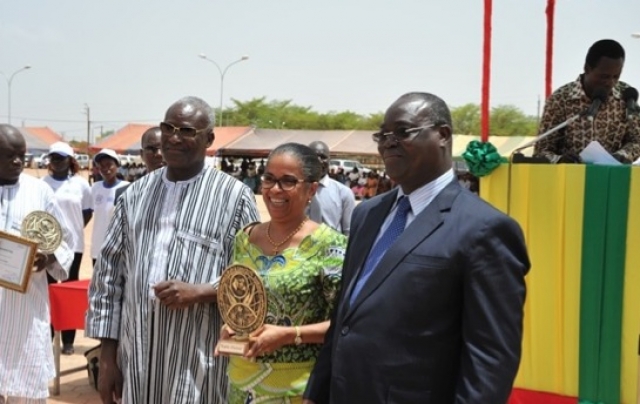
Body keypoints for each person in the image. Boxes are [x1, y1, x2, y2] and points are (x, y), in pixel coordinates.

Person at [303, 92, 530, 404]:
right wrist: (316, 392)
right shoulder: (368, 214)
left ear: (443, 135)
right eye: (382, 135)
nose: (388, 142)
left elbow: (491, 358)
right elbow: (345, 316)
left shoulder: (484, 229)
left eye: (403, 132)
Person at [85, 96, 260, 404]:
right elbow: (108, 279)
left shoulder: (234, 197)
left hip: (198, 363)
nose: (174, 137)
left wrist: (203, 292)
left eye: (187, 130)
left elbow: (252, 276)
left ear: (209, 139)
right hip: (136, 361)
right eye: (168, 127)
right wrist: (108, 358)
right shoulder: (135, 196)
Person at [216, 142, 346, 403]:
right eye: (269, 179)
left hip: (297, 390)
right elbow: (241, 302)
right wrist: (231, 328)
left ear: (311, 189)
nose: (275, 189)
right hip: (241, 385)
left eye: (288, 181)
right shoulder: (245, 238)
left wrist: (290, 335)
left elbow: (345, 325)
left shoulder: (330, 245)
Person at [0, 124, 73, 403]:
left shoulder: (39, 192)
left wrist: (47, 257)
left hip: (25, 315)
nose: (18, 161)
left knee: (26, 393)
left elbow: (63, 241)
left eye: (22, 154)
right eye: (9, 155)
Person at [534, 39, 640, 163]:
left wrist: (621, 156)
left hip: (613, 177)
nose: (610, 83)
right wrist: (560, 160)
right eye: (604, 76)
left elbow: (636, 141)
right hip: (570, 177)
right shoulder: (561, 99)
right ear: (587, 68)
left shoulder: (626, 97)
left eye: (616, 76)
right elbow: (542, 149)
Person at [42, 141, 93, 355]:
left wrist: (73, 231)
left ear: (70, 160)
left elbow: (87, 212)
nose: (57, 162)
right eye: (54, 158)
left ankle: (69, 340)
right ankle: (50, 338)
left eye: (61, 158)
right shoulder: (43, 184)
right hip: (48, 247)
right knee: (50, 291)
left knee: (69, 291)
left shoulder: (81, 185)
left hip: (74, 247)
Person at [306, 141, 355, 236]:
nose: (319, 161)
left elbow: (348, 231)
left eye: (323, 157)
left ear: (329, 160)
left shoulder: (344, 193)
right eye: (314, 157)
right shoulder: (295, 190)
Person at [90, 148, 129, 266]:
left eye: (109, 164)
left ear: (117, 165)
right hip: (97, 247)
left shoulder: (127, 188)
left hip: (117, 248)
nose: (105, 169)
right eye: (101, 166)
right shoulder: (95, 188)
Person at [114, 126, 164, 203]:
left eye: (164, 148)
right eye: (151, 149)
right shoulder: (126, 194)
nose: (159, 154)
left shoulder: (185, 193)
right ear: (141, 154)